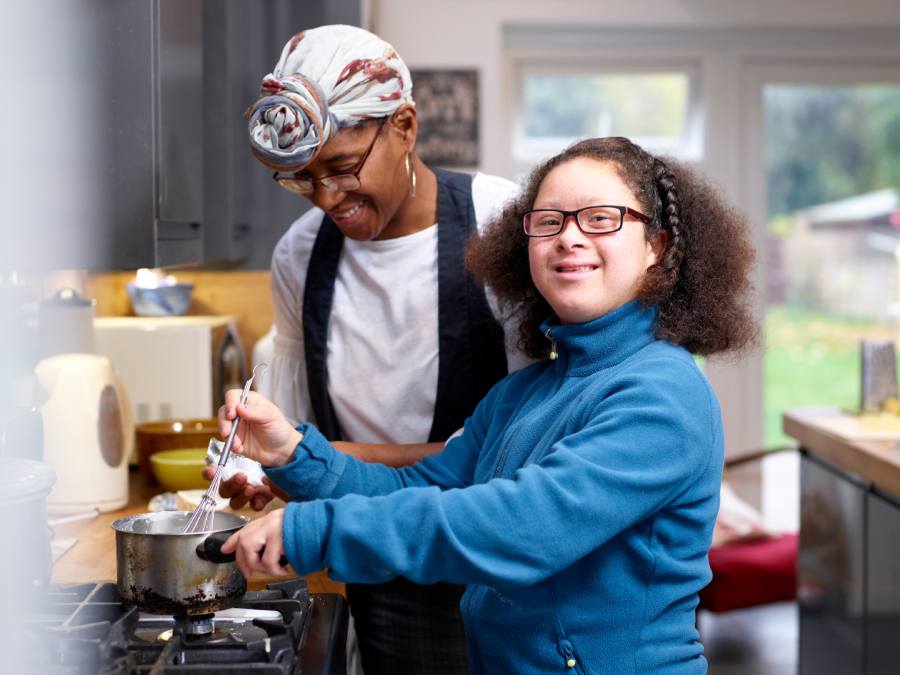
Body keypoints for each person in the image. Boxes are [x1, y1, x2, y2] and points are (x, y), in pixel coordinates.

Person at [217, 136, 757, 673]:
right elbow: (418, 488)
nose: (569, 238)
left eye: (600, 219)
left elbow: (523, 528)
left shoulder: (663, 393)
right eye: (549, 221)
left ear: (656, 245)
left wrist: (316, 529)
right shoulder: (523, 392)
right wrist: (292, 453)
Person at [218, 23, 527, 675]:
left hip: (492, 557)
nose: (328, 199)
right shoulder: (301, 254)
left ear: (405, 126)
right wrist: (267, 468)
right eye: (302, 179)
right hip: (370, 554)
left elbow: (521, 450)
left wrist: (320, 459)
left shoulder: (500, 223)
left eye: (341, 168)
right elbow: (295, 414)